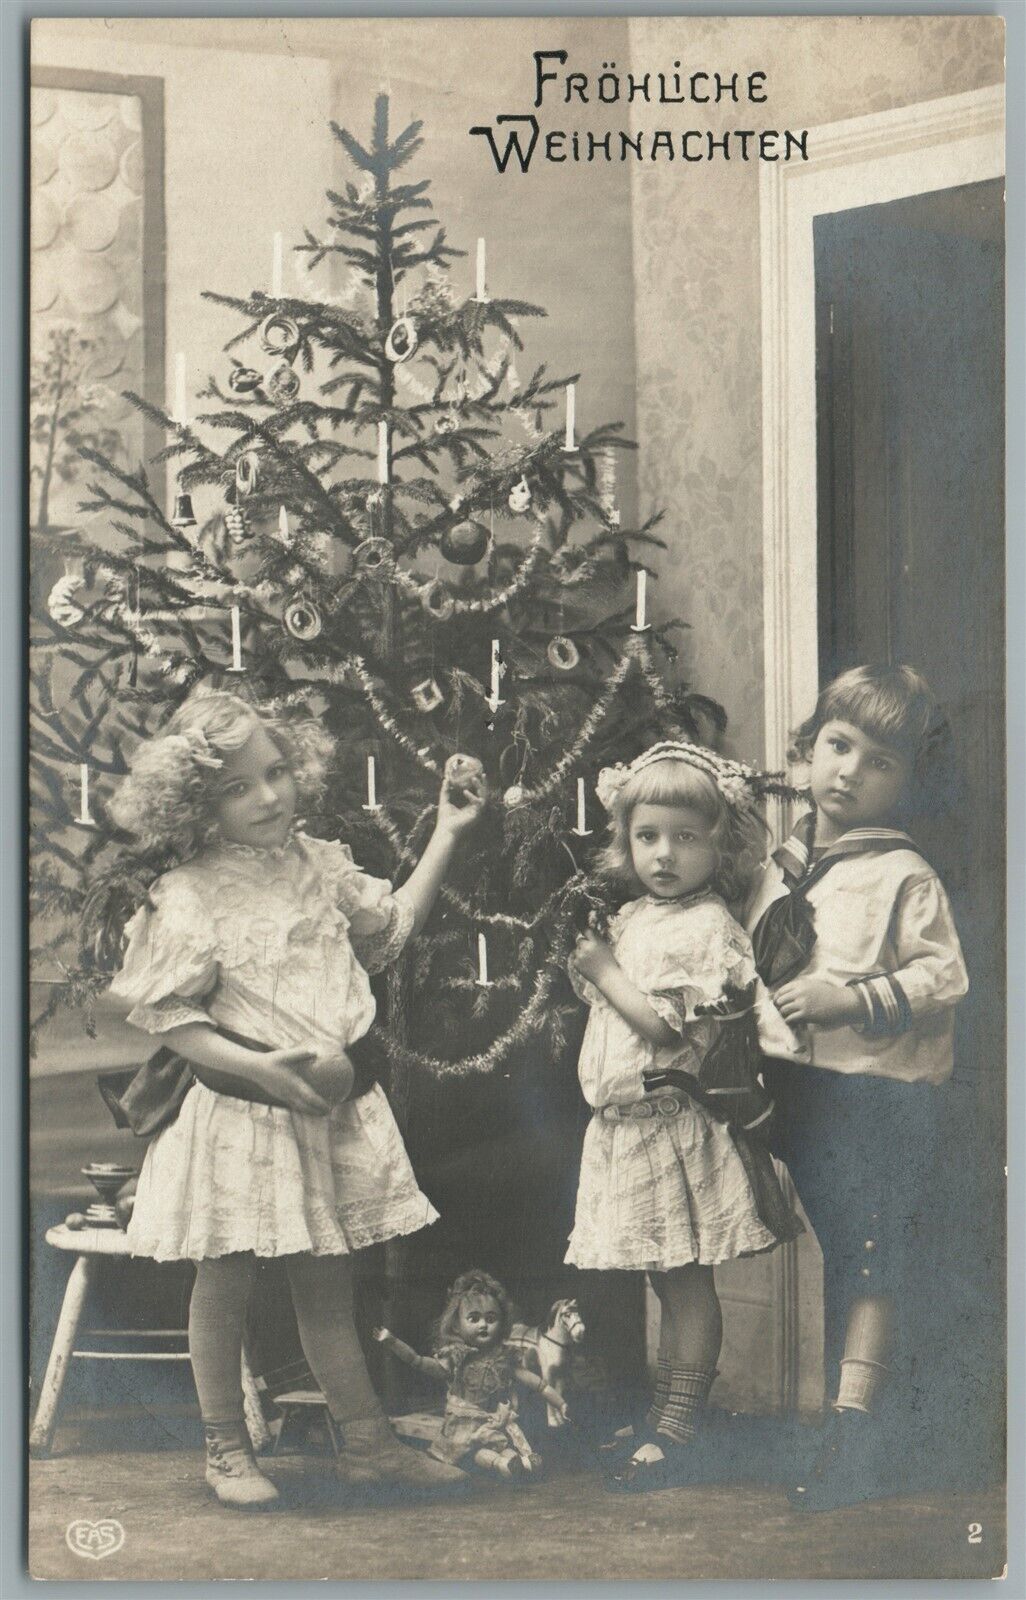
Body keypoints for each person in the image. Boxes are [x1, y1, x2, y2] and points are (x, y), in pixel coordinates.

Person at [105, 691, 486, 1508]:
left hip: (323, 1106)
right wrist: (260, 1070)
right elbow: (172, 1017)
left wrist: (447, 834)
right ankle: (224, 1447)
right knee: (228, 1276)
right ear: (195, 803)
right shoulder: (189, 892)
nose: (269, 797)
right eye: (238, 787)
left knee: (328, 1280)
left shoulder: (321, 864)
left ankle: (367, 1444)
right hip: (241, 1110)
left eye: (275, 773)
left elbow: (387, 934)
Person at [748, 664, 969, 1511]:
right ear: (805, 754)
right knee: (841, 1244)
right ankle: (840, 1415)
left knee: (871, 1250)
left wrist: (851, 999)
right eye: (838, 747)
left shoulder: (903, 874)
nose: (849, 772)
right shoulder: (784, 861)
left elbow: (943, 976)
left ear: (907, 782)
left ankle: (856, 1425)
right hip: (802, 1086)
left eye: (879, 762)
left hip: (879, 1091)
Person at [565, 741, 803, 1491]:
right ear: (625, 840)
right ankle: (666, 1417)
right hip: (626, 1125)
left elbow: (666, 1028)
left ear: (719, 844)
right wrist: (599, 970)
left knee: (685, 1280)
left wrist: (602, 971)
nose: (663, 854)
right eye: (647, 836)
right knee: (664, 1280)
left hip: (670, 1121)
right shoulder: (639, 914)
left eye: (685, 837)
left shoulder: (706, 927)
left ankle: (679, 1429)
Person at [374, 1269, 569, 1481]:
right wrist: (392, 1341)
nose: (483, 1325)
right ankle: (504, 1464)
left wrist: (561, 1403)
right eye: (474, 1318)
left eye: (491, 1318)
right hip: (463, 1423)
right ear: (457, 1325)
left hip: (491, 1421)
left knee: (500, 1444)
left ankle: (515, 1463)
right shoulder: (457, 1357)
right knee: (475, 1451)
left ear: (502, 1323)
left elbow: (539, 1385)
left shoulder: (504, 1358)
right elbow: (417, 1361)